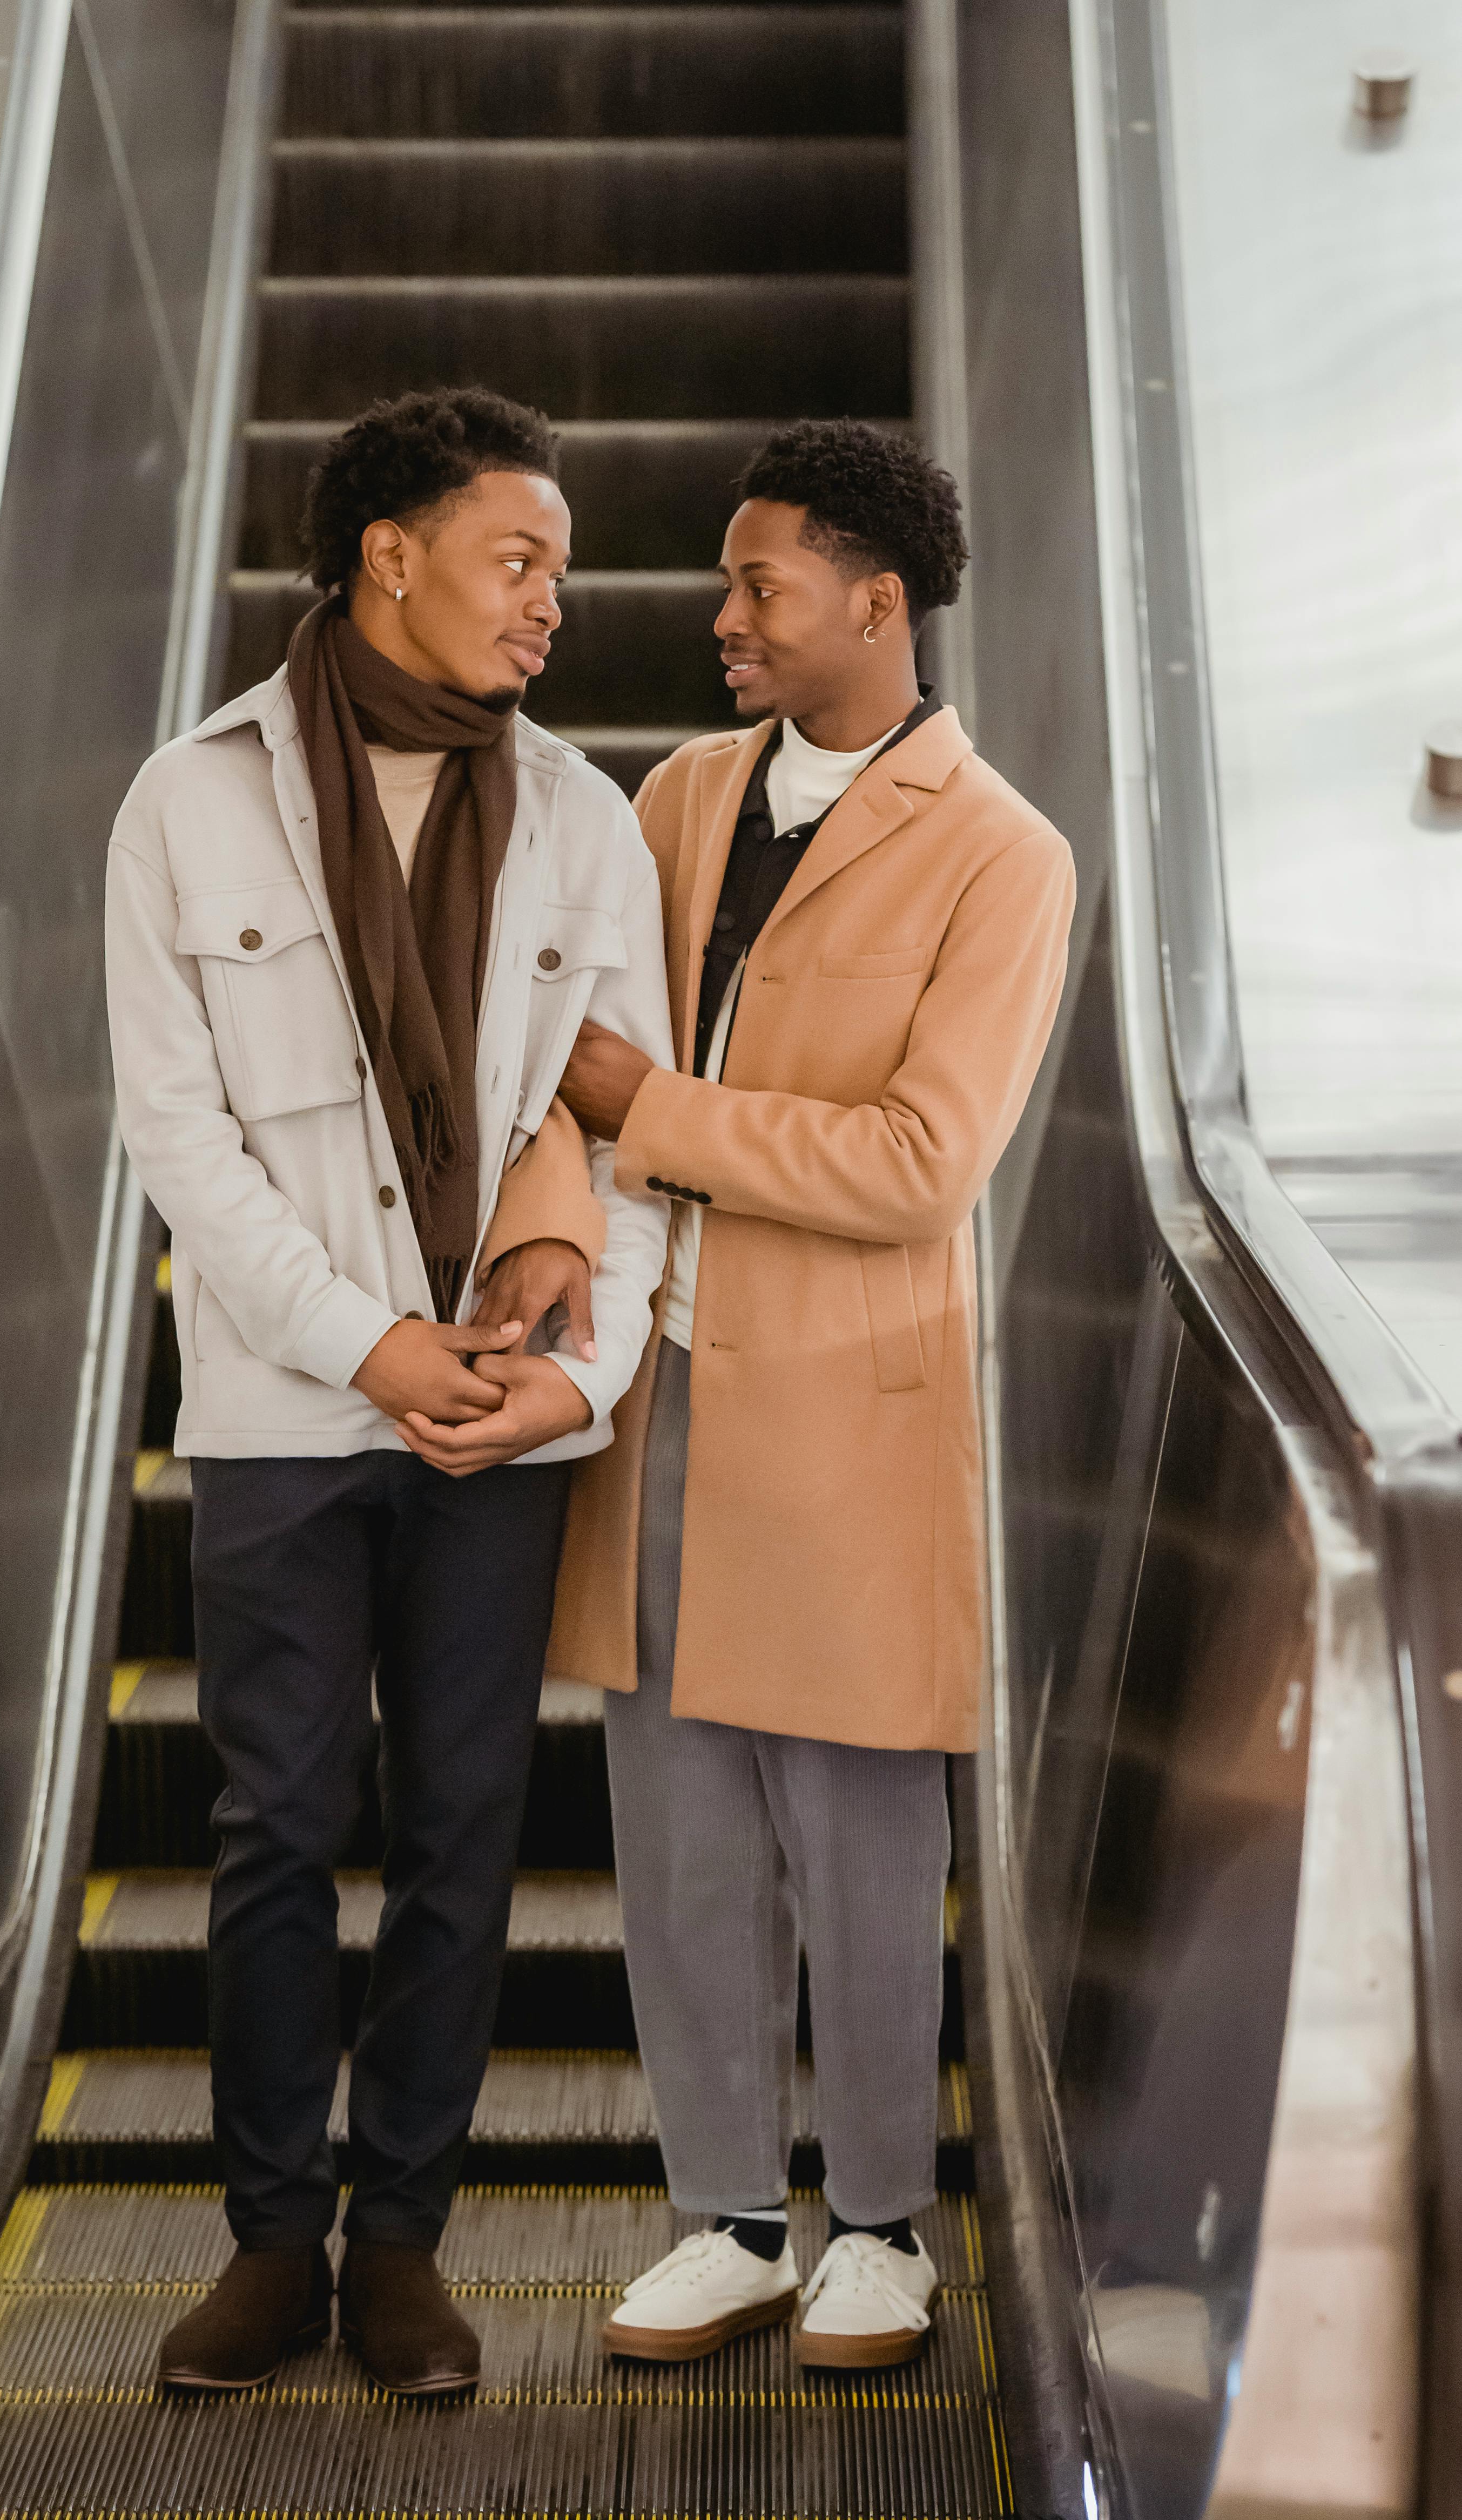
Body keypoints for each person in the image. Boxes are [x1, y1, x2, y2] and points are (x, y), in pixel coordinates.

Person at [104, 387, 670, 2397]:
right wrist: (363, 1340)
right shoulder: (189, 803)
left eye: (561, 573)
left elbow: (623, 1157)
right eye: (519, 559)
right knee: (271, 1827)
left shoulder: (590, 826)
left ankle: (403, 2242)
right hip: (282, 1410)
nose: (547, 607)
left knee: (462, 1825)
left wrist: (564, 1371)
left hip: (495, 1417)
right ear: (388, 556)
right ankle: (270, 2242)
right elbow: (179, 1138)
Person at [551, 420, 1076, 2370]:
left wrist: (650, 1118)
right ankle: (726, 2215)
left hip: (847, 1416)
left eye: (757, 585)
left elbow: (920, 1163)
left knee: (859, 1828)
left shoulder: (1001, 854)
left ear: (880, 602)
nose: (721, 618)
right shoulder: (676, 797)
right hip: (651, 1388)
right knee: (676, 1825)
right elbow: (560, 1043)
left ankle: (880, 2225)